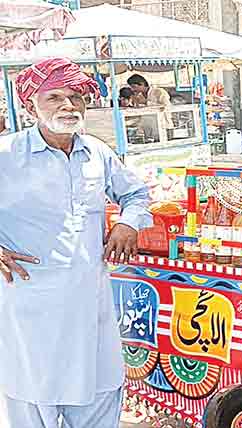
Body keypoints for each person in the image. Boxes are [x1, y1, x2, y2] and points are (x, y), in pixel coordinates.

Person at [0, 58, 152, 428]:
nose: (68, 105)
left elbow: (135, 194)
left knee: (100, 394)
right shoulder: (6, 155)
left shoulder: (96, 152)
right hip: (29, 310)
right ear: (30, 106)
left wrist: (128, 223)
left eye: (75, 97)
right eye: (54, 97)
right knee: (34, 398)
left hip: (90, 306)